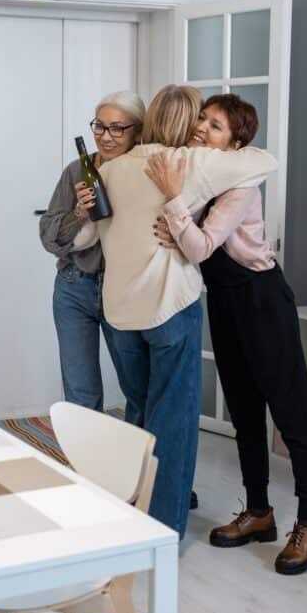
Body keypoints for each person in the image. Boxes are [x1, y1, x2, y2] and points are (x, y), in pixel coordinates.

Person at [71, 85, 277, 538]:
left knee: (139, 413)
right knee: (174, 423)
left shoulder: (111, 168)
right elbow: (265, 161)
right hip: (168, 309)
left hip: (120, 313)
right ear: (187, 125)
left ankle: (128, 510)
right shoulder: (189, 164)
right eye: (200, 120)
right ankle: (161, 532)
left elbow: (84, 239)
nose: (202, 129)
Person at [148, 93, 307, 575]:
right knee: (244, 413)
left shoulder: (242, 180)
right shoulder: (202, 174)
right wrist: (181, 232)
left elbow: (200, 245)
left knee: (290, 413)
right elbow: (190, 242)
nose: (202, 128)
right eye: (203, 119)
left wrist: (175, 213)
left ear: (235, 142)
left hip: (262, 299)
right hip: (226, 302)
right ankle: (258, 511)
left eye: (216, 125)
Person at [39, 91, 144, 411]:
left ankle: (138, 446)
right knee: (80, 392)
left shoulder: (142, 171)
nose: (106, 137)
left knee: (138, 387)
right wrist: (79, 214)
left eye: (117, 128)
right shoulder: (76, 171)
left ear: (137, 131)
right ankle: (84, 447)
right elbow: (49, 237)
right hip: (73, 285)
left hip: (123, 287)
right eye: (99, 126)